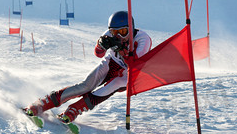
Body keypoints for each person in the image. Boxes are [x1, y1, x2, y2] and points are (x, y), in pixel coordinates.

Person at [24, 11, 152, 124]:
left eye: (123, 32)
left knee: (113, 85)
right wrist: (101, 45)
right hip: (111, 63)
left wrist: (121, 49)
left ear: (131, 28)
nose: (118, 36)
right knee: (86, 86)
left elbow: (134, 64)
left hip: (128, 73)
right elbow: (98, 54)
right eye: (114, 32)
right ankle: (43, 104)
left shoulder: (143, 39)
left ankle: (74, 110)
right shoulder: (108, 34)